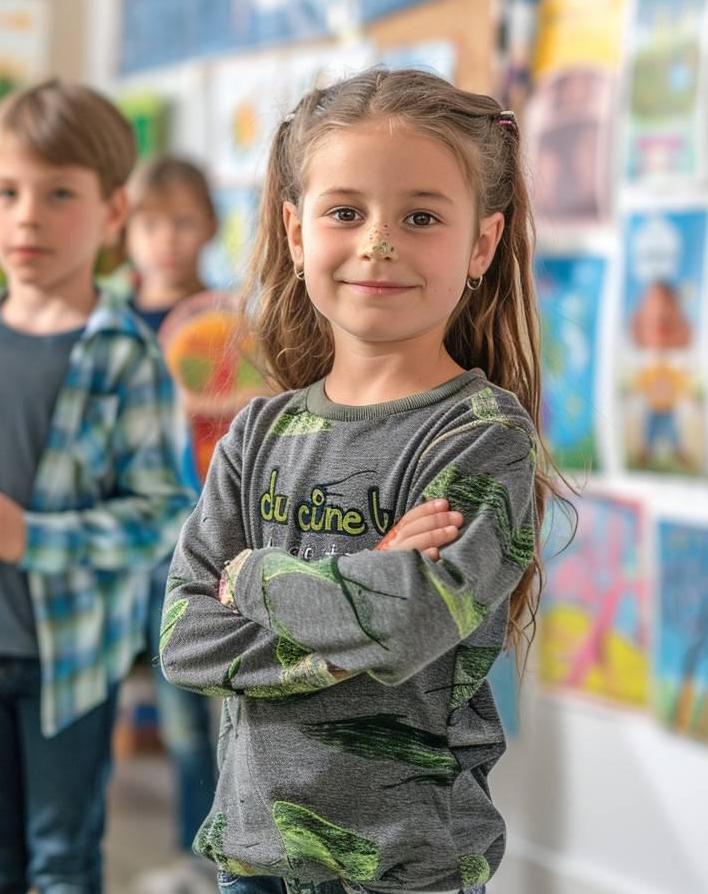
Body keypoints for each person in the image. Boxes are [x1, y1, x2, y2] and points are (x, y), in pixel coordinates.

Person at [159, 68, 559, 894]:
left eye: (420, 217)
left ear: (480, 243)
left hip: (407, 867)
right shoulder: (257, 434)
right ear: (297, 231)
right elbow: (183, 639)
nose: (378, 243)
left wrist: (254, 576)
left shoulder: (480, 438)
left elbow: (410, 624)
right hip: (254, 856)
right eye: (347, 212)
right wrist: (363, 593)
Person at [0, 79, 195, 894]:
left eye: (59, 194)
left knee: (60, 856)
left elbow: (162, 514)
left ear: (112, 213)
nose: (28, 217)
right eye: (7, 191)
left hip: (71, 657)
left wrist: (36, 538)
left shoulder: (125, 354)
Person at [122, 156, 221, 894]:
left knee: (189, 713)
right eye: (152, 222)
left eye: (184, 221)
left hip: (191, 537)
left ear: (209, 227)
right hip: (112, 538)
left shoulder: (226, 322)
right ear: (124, 227)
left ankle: (199, 857)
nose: (167, 239)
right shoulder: (107, 319)